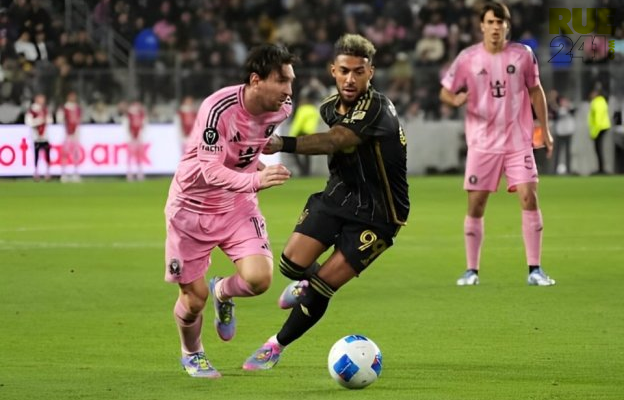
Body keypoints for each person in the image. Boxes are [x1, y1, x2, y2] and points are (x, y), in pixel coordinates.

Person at [242, 34, 410, 370]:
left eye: (359, 72)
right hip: (338, 195)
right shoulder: (329, 107)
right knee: (290, 265)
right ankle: (305, 284)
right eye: (344, 71)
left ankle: (275, 345)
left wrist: (282, 144)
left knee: (322, 287)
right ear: (333, 70)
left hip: (379, 214)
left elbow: (336, 140)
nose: (351, 79)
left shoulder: (378, 108)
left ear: (371, 72)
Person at [164, 44, 295, 378]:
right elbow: (210, 170)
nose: (289, 91)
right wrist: (256, 179)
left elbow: (248, 147)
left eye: (291, 81)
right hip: (191, 208)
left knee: (259, 279)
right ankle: (192, 353)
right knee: (193, 300)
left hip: (236, 204)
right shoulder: (218, 108)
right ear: (256, 80)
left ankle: (222, 290)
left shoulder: (281, 109)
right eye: (282, 81)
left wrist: (257, 164)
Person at [439, 1, 556, 286]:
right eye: (490, 22)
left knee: (529, 197)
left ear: (507, 26)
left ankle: (535, 270)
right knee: (476, 205)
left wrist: (545, 129)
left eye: (500, 22)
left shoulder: (523, 55)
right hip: (482, 143)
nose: (495, 27)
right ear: (482, 25)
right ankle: (471, 271)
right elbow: (445, 92)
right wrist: (456, 99)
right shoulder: (468, 58)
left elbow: (536, 91)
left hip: (518, 141)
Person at [287, 88, 320, 176]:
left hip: (301, 133)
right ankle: (307, 171)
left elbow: (298, 123)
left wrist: (292, 134)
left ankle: (302, 170)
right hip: (310, 133)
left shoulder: (303, 109)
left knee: (294, 152)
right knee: (307, 154)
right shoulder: (314, 110)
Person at [25, 93, 53, 181]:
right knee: (36, 155)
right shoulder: (32, 110)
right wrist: (39, 120)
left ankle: (47, 172)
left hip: (45, 136)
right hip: (36, 137)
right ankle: (36, 172)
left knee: (47, 155)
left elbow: (50, 120)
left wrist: (45, 120)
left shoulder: (45, 110)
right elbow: (29, 122)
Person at [587, 88, 611, 175]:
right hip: (602, 127)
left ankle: (601, 169)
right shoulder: (601, 101)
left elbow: (598, 118)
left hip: (599, 128)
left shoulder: (597, 102)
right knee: (598, 149)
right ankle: (601, 168)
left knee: (598, 149)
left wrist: (594, 133)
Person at [60, 91, 82, 182]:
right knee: (65, 153)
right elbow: (60, 119)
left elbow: (78, 120)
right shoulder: (65, 108)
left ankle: (75, 173)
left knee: (76, 154)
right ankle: (64, 173)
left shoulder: (77, 108)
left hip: (75, 134)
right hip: (67, 133)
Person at [123, 100, 147, 181]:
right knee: (130, 156)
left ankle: (140, 173)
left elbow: (144, 126)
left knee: (139, 157)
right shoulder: (128, 116)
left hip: (139, 138)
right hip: (131, 138)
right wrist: (129, 137)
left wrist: (141, 135)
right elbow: (126, 127)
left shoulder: (141, 115)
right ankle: (129, 174)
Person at [553, 95, 576, 175]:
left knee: (568, 152)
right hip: (560, 133)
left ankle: (569, 170)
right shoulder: (558, 110)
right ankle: (554, 170)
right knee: (557, 152)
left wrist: (568, 107)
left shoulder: (570, 109)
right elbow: (556, 116)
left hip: (568, 133)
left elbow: (573, 111)